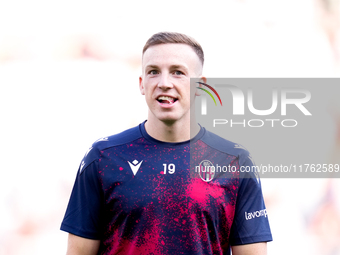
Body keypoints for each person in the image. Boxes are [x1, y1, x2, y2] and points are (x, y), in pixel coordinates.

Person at [61, 32, 273, 255]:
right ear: (142, 84)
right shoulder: (103, 157)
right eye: (153, 72)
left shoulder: (234, 161)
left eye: (178, 72)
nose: (164, 83)